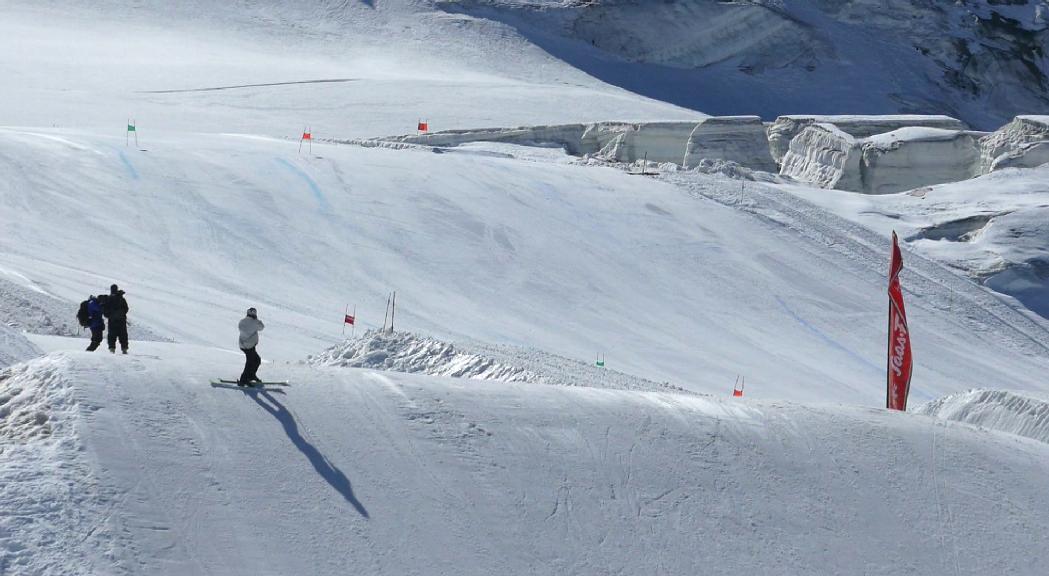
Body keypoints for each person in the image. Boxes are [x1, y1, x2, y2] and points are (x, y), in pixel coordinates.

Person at [238, 307, 265, 386]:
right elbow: (262, 327)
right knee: (251, 361)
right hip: (249, 346)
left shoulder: (242, 321)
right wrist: (257, 320)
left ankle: (250, 376)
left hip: (242, 345)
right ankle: (244, 379)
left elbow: (241, 327)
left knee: (256, 360)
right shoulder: (255, 322)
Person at [102, 284, 130, 354]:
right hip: (122, 320)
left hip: (112, 321)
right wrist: (121, 314)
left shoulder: (108, 299)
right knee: (123, 335)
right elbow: (126, 309)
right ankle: (124, 349)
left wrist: (110, 315)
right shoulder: (121, 298)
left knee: (112, 335)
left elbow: (105, 311)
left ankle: (112, 349)